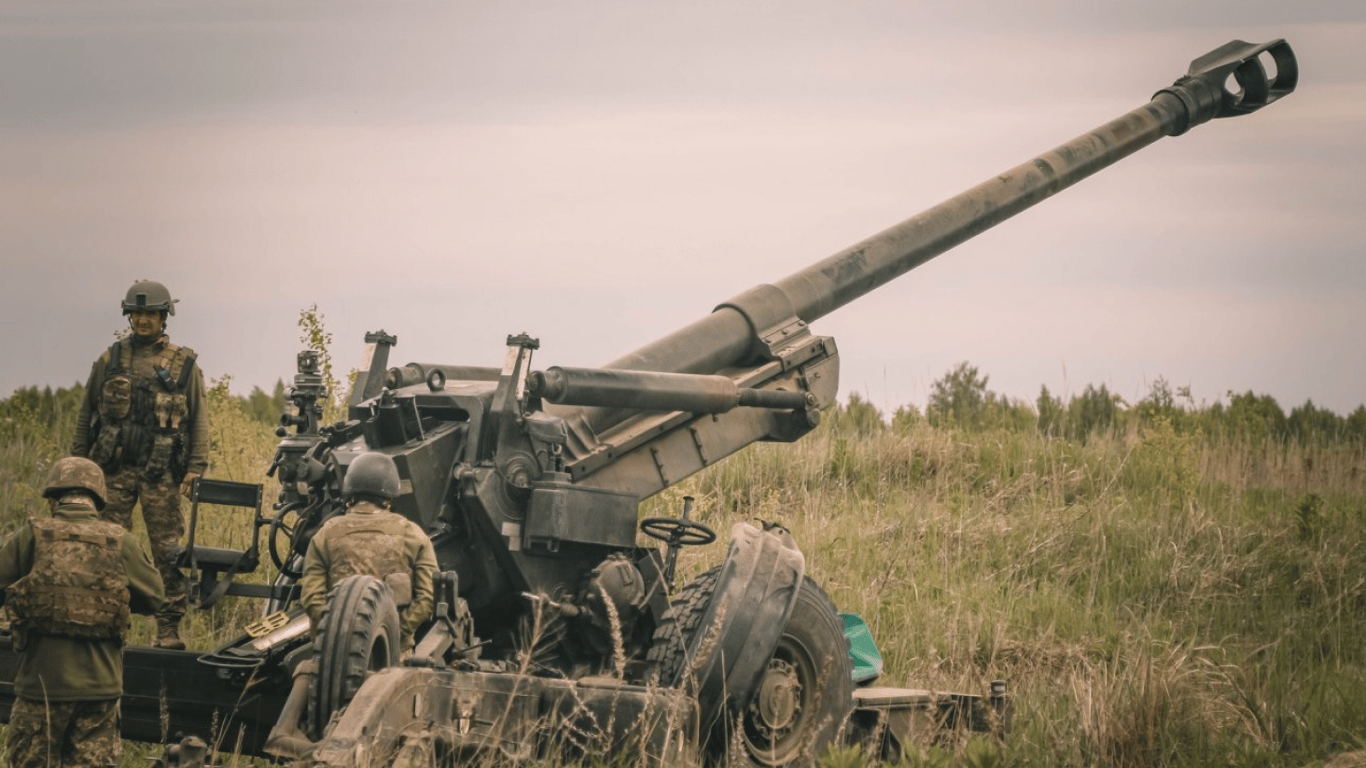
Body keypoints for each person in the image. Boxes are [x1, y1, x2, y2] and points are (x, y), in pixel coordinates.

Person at [0, 457, 165, 768]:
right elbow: (156, 598)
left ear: (52, 499)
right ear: (97, 500)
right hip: (99, 692)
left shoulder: (31, 537)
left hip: (41, 690)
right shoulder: (121, 542)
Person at [70, 279, 208, 650]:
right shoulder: (109, 360)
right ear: (128, 317)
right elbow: (87, 414)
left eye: (151, 313)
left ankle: (168, 628)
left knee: (168, 550)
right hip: (111, 472)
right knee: (105, 546)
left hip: (161, 473)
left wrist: (196, 467)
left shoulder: (184, 365)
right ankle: (106, 620)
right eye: (137, 313)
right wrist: (78, 468)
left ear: (164, 316)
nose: (144, 320)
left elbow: (198, 420)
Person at [300, 452, 437, 651]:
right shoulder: (413, 535)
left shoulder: (325, 534)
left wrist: (344, 636)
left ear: (349, 491)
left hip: (333, 660)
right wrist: (390, 633)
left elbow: (311, 598)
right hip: (394, 662)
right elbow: (427, 599)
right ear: (390, 494)